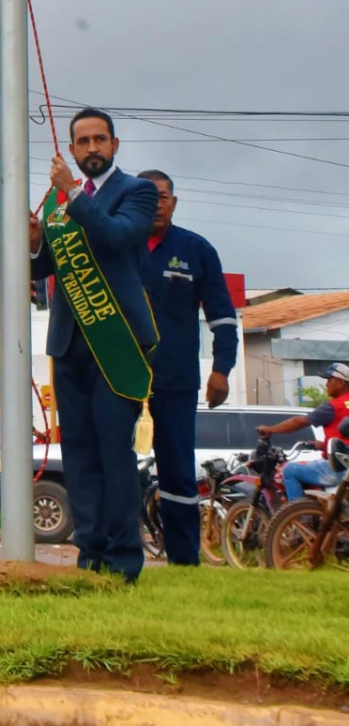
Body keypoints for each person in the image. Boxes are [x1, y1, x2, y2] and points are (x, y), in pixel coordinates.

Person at [30, 107, 158, 581]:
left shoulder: (136, 192)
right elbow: (43, 272)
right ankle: (90, 556)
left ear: (114, 145)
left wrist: (71, 193)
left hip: (117, 342)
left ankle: (124, 560)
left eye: (98, 140)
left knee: (114, 454)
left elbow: (119, 237)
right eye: (81, 142)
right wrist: (33, 243)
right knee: (80, 455)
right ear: (71, 149)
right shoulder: (59, 204)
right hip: (69, 343)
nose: (91, 149)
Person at [137, 169, 238, 565]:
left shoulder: (196, 250)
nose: (157, 204)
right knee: (114, 466)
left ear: (174, 202)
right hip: (119, 380)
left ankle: (183, 559)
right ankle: (117, 553)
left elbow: (222, 315)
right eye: (148, 197)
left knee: (178, 471)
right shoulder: (119, 246)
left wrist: (222, 369)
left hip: (175, 381)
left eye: (163, 196)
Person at [257, 363, 349, 503]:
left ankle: (299, 518)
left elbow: (299, 422)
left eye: (330, 379)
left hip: (338, 468)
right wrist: (321, 445)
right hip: (344, 463)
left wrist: (271, 430)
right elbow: (343, 438)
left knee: (290, 470)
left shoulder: (333, 407)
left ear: (341, 382)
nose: (326, 384)